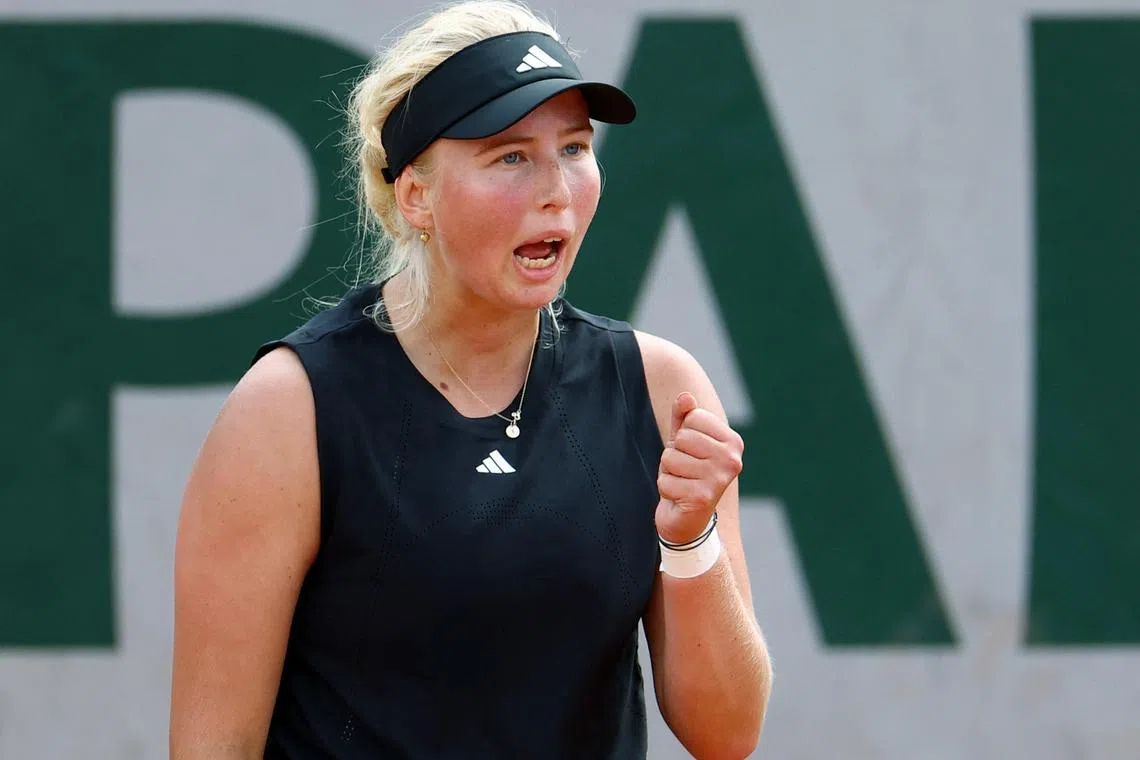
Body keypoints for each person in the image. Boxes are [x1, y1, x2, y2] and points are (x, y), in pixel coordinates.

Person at [169, 1, 772, 757]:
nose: (557, 187)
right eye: (510, 157)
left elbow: (728, 734)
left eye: (576, 148)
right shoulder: (287, 411)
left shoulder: (660, 389)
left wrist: (690, 542)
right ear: (415, 193)